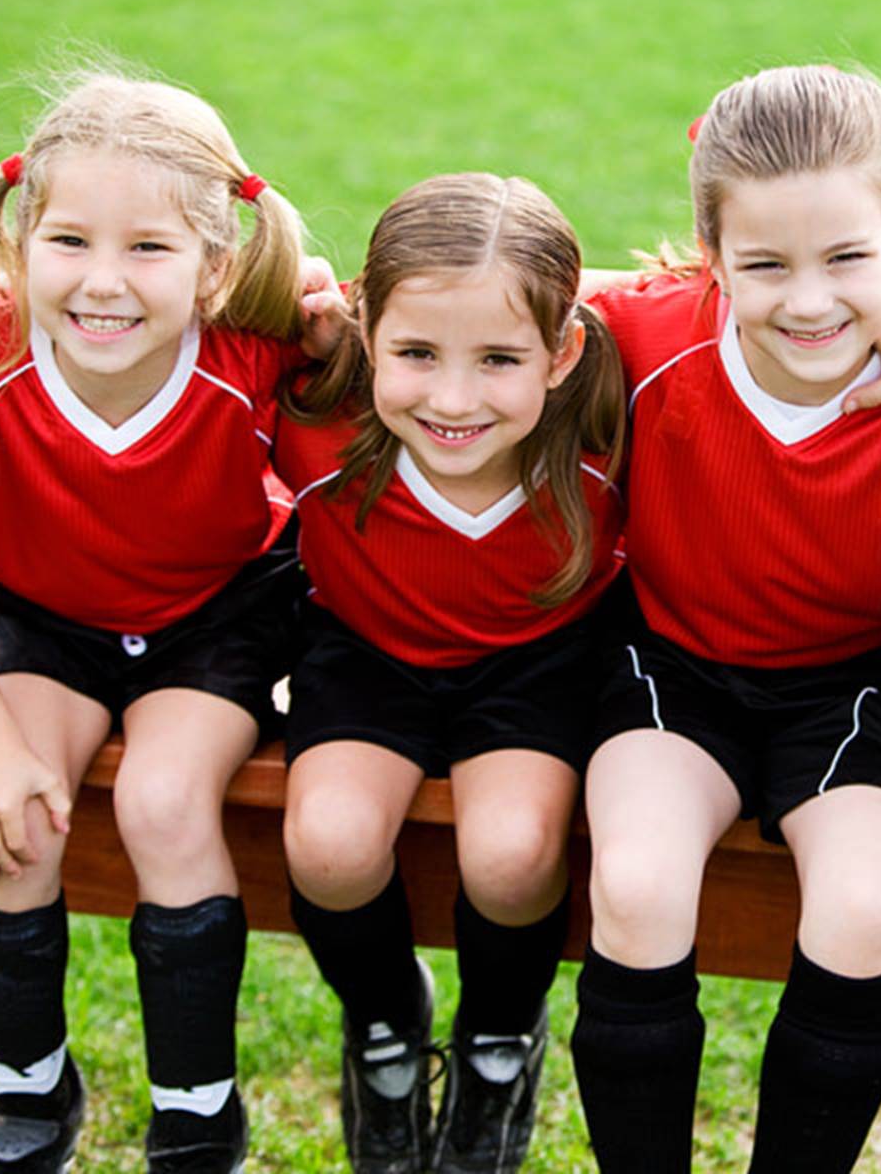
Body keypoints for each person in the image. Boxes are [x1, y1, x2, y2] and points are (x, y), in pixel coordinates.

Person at [0, 71, 313, 1171]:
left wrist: (327, 308)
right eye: (70, 241)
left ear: (216, 266)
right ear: (22, 241)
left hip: (210, 625)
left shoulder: (254, 358)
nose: (103, 284)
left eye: (149, 250)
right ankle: (29, 1096)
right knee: (10, 820)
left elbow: (402, 386)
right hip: (40, 622)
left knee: (168, 804)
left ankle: (197, 1112)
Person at [567, 64, 881, 1173]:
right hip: (675, 672)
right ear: (710, 257)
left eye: (847, 259)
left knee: (865, 908)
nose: (811, 300)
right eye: (764, 265)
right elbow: (473, 290)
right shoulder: (647, 340)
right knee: (634, 888)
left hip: (856, 689)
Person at [275, 172, 623, 1174]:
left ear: (561, 355)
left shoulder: (601, 443)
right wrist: (293, 295)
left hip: (538, 668)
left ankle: (501, 1039)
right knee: (331, 844)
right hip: (364, 656)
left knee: (512, 854)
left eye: (500, 359)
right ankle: (385, 1029)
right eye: (417, 353)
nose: (455, 399)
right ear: (364, 326)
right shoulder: (318, 425)